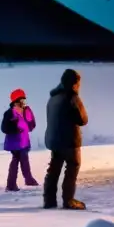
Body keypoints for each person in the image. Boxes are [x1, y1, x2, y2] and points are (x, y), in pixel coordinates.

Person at [43, 68, 89, 210]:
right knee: (72, 169)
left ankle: (49, 200)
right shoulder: (72, 97)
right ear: (74, 83)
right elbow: (83, 120)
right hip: (70, 141)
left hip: (54, 141)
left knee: (54, 170)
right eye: (78, 83)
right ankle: (68, 200)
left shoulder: (53, 98)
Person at [1, 88, 38, 192]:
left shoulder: (26, 111)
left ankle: (27, 180)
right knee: (17, 161)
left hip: (24, 141)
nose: (24, 102)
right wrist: (16, 129)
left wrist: (29, 118)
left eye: (24, 100)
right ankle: (12, 185)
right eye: (21, 100)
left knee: (24, 160)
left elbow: (31, 125)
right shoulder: (9, 113)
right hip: (14, 143)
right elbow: (4, 128)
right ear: (15, 101)